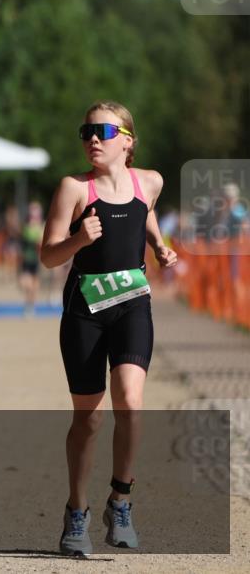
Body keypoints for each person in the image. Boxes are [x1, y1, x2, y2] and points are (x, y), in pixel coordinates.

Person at [40, 101, 177, 556]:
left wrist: (158, 245)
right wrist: (79, 239)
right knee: (89, 418)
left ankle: (121, 499)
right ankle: (76, 511)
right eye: (86, 131)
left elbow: (145, 210)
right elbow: (48, 255)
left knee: (131, 401)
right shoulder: (74, 189)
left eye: (103, 130)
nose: (92, 139)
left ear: (128, 141)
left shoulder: (150, 182)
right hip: (86, 311)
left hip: (132, 303)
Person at [19, 201, 45, 316]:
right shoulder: (25, 227)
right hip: (25, 259)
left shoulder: (40, 228)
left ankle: (30, 306)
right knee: (24, 282)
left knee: (34, 285)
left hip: (35, 260)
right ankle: (28, 303)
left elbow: (41, 244)